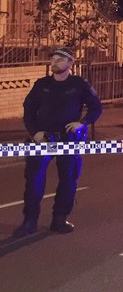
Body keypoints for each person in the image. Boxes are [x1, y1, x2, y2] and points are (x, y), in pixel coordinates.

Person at [13, 47, 102, 237]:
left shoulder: (79, 84)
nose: (54, 62)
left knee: (68, 180)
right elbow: (28, 111)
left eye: (60, 59)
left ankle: (59, 219)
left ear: (70, 63)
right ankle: (29, 222)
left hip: (68, 140)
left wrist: (83, 123)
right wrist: (35, 133)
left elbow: (96, 108)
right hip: (43, 139)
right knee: (34, 181)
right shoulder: (42, 84)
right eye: (53, 59)